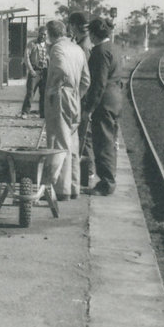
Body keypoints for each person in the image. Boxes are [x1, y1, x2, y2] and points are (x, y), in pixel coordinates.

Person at [45, 19, 90, 200]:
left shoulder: (57, 48)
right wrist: (77, 95)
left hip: (60, 96)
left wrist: (52, 91)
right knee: (73, 142)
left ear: (50, 33)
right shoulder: (77, 49)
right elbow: (87, 80)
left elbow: (62, 69)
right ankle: (73, 186)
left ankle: (61, 189)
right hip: (75, 98)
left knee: (59, 142)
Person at [85, 18, 123, 195]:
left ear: (93, 33)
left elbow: (98, 83)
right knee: (110, 140)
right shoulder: (114, 48)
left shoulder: (100, 51)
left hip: (104, 100)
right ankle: (109, 179)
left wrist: (90, 108)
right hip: (115, 97)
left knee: (103, 142)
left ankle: (107, 184)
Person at [68, 11, 94, 186]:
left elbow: (85, 76)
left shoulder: (83, 46)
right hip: (85, 95)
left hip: (83, 96)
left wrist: (77, 98)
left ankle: (87, 173)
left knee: (84, 134)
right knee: (84, 134)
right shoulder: (83, 42)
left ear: (74, 26)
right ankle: (86, 172)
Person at [21, 27, 48, 118]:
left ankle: (43, 113)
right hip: (35, 70)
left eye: (45, 34)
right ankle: (25, 112)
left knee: (44, 93)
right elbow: (26, 57)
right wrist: (31, 70)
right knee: (30, 92)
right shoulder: (32, 44)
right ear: (38, 33)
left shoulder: (48, 45)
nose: (43, 36)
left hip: (45, 71)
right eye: (41, 33)